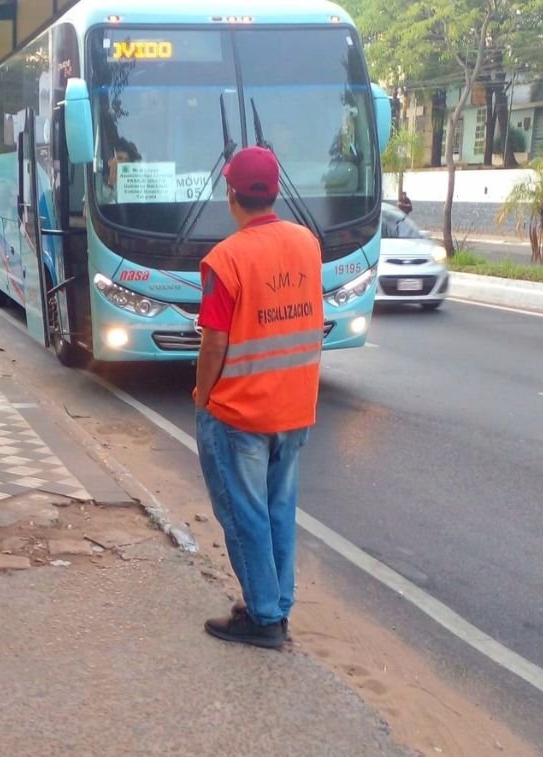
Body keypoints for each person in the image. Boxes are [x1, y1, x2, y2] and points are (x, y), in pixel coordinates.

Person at [193, 146, 324, 650]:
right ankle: (276, 604)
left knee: (244, 514)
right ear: (274, 192)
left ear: (231, 194)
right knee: (278, 510)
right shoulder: (306, 244)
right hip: (295, 408)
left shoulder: (224, 261)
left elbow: (215, 342)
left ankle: (264, 618)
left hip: (240, 412)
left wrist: (204, 397)